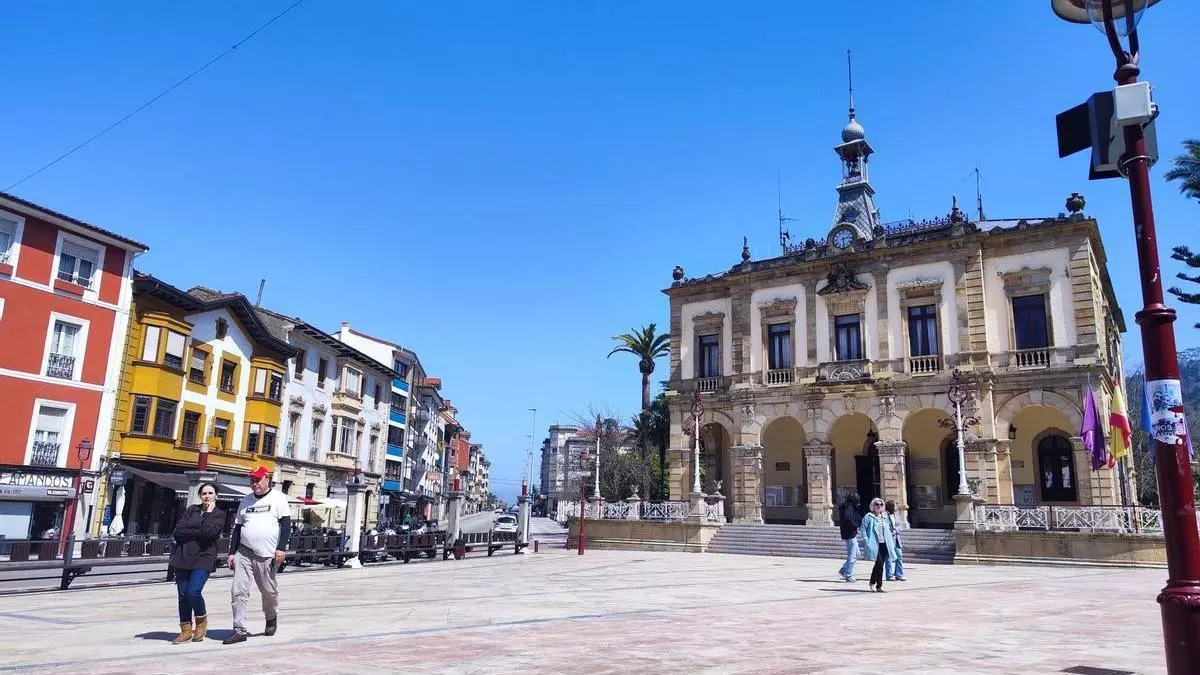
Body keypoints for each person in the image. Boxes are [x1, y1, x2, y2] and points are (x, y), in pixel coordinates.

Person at [224, 466, 291, 645]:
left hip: (267, 553)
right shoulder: (245, 501)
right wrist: (231, 553)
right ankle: (239, 630)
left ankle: (271, 616)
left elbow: (285, 524)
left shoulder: (278, 498)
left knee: (268, 590)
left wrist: (281, 548)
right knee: (238, 590)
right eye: (252, 480)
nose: (255, 484)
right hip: (244, 550)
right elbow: (238, 528)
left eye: (258, 480)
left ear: (266, 479)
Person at [169, 482, 225, 644]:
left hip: (204, 557)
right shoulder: (192, 510)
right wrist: (198, 532)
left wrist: (208, 513)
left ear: (216, 495)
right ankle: (185, 630)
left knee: (193, 592)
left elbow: (209, 534)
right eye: (204, 493)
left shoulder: (219, 514)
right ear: (200, 495)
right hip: (183, 556)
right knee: (182, 595)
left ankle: (201, 620)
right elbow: (178, 532)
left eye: (210, 493)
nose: (207, 496)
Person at [859, 497, 899, 593]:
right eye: (877, 504)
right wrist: (866, 541)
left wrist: (891, 537)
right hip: (874, 544)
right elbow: (862, 529)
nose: (879, 506)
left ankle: (875, 584)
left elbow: (889, 528)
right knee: (879, 564)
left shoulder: (884, 516)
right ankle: (876, 584)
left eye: (881, 504)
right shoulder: (869, 516)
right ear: (873, 506)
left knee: (879, 564)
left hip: (884, 544)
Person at [837, 492, 862, 582]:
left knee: (857, 554)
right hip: (849, 533)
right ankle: (848, 575)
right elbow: (848, 518)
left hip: (850, 533)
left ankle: (844, 569)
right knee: (852, 555)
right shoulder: (849, 507)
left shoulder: (848, 507)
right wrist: (855, 525)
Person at [884, 500, 906, 582]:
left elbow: (900, 526)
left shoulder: (896, 515)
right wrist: (889, 532)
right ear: (891, 507)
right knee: (888, 557)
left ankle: (899, 575)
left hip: (896, 538)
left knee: (899, 555)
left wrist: (895, 530)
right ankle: (889, 575)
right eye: (895, 506)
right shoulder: (885, 515)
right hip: (889, 539)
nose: (896, 507)